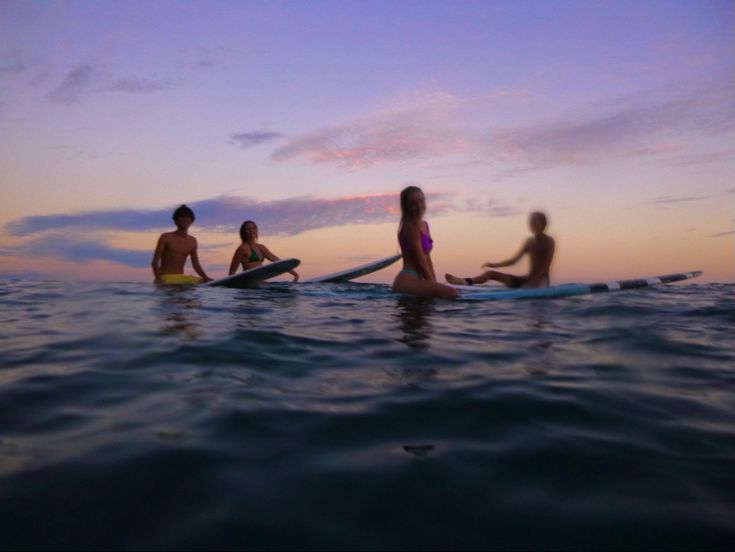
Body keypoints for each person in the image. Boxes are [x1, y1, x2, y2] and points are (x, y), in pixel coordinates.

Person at [445, 211, 555, 289]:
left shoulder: (549, 241)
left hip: (541, 281)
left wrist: (530, 284)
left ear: (543, 223)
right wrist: (494, 265)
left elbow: (544, 268)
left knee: (534, 287)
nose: (532, 224)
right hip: (525, 280)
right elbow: (513, 261)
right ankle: (464, 282)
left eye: (535, 221)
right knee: (490, 274)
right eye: (531, 221)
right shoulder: (529, 241)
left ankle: (529, 288)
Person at [392, 186, 458, 299]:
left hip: (418, 279)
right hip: (407, 279)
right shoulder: (410, 227)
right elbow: (421, 262)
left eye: (421, 201)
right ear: (406, 207)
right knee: (450, 292)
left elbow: (428, 259)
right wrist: (435, 286)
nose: (418, 206)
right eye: (413, 203)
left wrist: (435, 283)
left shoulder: (425, 225)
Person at [151, 204, 213, 284]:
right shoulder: (166, 237)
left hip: (181, 278)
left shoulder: (192, 241)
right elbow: (155, 262)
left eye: (188, 217)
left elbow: (196, 264)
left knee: (203, 282)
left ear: (191, 221)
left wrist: (205, 277)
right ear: (176, 221)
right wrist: (158, 279)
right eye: (182, 216)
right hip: (165, 277)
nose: (185, 219)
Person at [228, 220, 299, 281]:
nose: (251, 231)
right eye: (248, 229)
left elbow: (278, 261)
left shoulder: (261, 247)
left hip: (261, 285)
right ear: (243, 233)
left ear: (256, 230)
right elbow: (232, 272)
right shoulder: (242, 249)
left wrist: (295, 274)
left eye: (253, 228)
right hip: (249, 288)